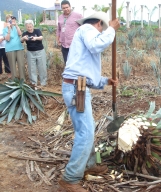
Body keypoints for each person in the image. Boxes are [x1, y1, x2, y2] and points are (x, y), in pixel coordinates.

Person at [59, 11, 120, 192]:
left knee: (87, 130)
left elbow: (86, 72)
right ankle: (70, 179)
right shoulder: (86, 28)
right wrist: (112, 30)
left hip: (78, 87)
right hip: (76, 89)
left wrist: (105, 81)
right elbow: (97, 45)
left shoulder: (84, 33)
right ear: (99, 24)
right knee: (85, 134)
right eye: (104, 29)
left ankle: (89, 163)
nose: (104, 32)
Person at [21, 20, 47, 89]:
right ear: (26, 27)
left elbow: (41, 37)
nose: (29, 28)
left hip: (40, 51)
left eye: (30, 26)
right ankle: (34, 84)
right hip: (30, 52)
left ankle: (43, 83)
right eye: (28, 27)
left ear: (33, 26)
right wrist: (23, 38)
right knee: (32, 68)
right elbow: (21, 41)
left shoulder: (37, 31)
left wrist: (36, 38)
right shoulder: (25, 33)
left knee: (42, 67)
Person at [3, 15, 25, 80]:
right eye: (9, 20)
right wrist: (9, 29)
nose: (11, 21)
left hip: (19, 48)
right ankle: (14, 81)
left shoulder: (16, 27)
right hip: (10, 50)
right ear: (6, 22)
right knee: (12, 66)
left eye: (12, 20)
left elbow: (20, 34)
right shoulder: (5, 29)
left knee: (21, 65)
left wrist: (16, 25)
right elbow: (7, 39)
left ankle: (22, 80)